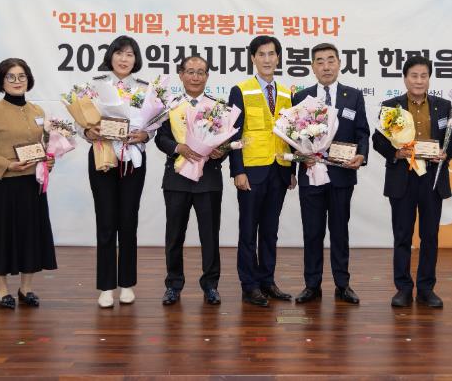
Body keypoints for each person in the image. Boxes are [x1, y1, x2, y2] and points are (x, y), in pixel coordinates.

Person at [372, 56, 452, 309]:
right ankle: (403, 288)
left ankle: (426, 289)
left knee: (429, 236)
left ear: (429, 78)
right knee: (402, 235)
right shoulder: (391, 106)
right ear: (405, 78)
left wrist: (446, 153)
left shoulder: (443, 106)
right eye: (414, 76)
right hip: (403, 177)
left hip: (432, 178)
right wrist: (396, 153)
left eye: (424, 76)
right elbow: (378, 140)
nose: (419, 81)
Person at [0, 58, 57, 309]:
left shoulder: (38, 112)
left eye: (22, 76)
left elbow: (44, 147)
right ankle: (1, 290)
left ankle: (26, 288)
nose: (17, 81)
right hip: (5, 185)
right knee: (3, 237)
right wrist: (8, 165)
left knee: (30, 236)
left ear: (28, 80)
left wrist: (49, 160)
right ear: (1, 81)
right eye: (10, 77)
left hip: (33, 184)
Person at [291, 43, 369, 305]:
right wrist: (295, 165)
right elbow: (291, 138)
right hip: (310, 173)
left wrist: (362, 155)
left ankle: (342, 284)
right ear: (312, 67)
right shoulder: (301, 97)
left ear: (339, 63)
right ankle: (311, 285)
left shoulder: (353, 96)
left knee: (339, 231)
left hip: (341, 175)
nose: (326, 66)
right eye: (320, 61)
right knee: (312, 232)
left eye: (330, 60)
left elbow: (362, 132)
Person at [81, 35, 151, 308]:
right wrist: (88, 131)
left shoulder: (145, 88)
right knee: (106, 221)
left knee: (128, 221)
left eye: (130, 54)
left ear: (136, 59)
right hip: (103, 156)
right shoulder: (95, 85)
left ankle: (127, 284)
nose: (124, 59)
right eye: (119, 53)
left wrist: (145, 135)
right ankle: (106, 287)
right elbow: (80, 122)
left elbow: (154, 125)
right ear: (110, 56)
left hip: (133, 159)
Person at [228, 35, 296, 307]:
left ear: (278, 58)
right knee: (248, 230)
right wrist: (237, 171)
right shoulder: (240, 90)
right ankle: (250, 285)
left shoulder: (287, 94)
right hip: (251, 171)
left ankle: (267, 281)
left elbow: (293, 135)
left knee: (270, 231)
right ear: (253, 58)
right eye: (261, 54)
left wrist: (292, 169)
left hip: (279, 170)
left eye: (272, 54)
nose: (267, 59)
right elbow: (233, 134)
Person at [155, 55, 225, 306]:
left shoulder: (218, 107)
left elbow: (226, 141)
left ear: (207, 76)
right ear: (181, 75)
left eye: (201, 72)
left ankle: (211, 285)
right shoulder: (170, 106)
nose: (195, 77)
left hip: (208, 180)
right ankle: (173, 285)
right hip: (177, 179)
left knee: (210, 236)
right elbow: (160, 138)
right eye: (190, 71)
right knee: (174, 235)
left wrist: (220, 151)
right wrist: (178, 148)